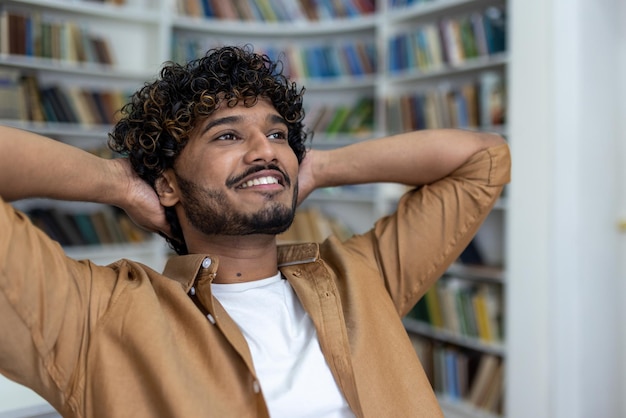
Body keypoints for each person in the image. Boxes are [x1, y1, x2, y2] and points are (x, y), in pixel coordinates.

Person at [0, 46, 510, 417]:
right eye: (227, 134)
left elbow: (483, 157)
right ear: (169, 185)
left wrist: (316, 168)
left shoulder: (360, 276)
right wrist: (120, 184)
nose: (265, 150)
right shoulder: (95, 315)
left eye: (277, 134)